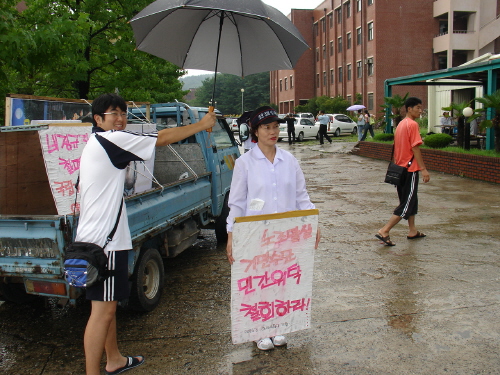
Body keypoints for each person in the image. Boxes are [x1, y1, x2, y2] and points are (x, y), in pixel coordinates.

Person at [76, 93, 215, 375]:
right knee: (101, 314)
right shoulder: (112, 139)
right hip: (105, 243)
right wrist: (202, 124)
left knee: (108, 307)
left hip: (96, 238)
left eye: (123, 113)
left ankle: (113, 359)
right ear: (98, 119)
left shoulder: (95, 141)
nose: (120, 118)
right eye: (113, 113)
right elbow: (161, 138)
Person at [225, 106, 320, 351]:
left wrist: (313, 223)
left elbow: (302, 197)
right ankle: (261, 330)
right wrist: (231, 235)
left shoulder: (289, 160)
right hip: (256, 234)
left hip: (286, 233)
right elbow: (236, 203)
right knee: (260, 281)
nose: (273, 131)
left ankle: (278, 326)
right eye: (267, 127)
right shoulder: (244, 163)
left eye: (276, 126)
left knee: (281, 279)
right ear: (255, 131)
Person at [376, 97, 430, 246]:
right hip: (410, 169)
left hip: (399, 169)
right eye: (418, 108)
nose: (420, 111)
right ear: (409, 109)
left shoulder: (400, 124)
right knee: (407, 203)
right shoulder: (412, 125)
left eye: (421, 108)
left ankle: (412, 230)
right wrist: (423, 169)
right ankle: (385, 230)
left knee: (410, 200)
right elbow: (415, 148)